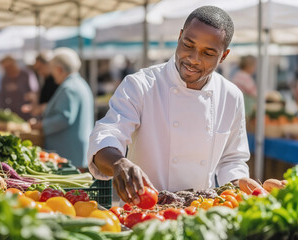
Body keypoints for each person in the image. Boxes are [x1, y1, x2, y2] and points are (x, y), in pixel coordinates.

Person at [87, 6, 250, 205]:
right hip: (143, 210)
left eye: (208, 53)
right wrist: (119, 163)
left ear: (223, 56)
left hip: (199, 211)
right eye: (188, 45)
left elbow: (232, 159)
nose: (193, 59)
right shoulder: (141, 84)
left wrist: (239, 182)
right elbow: (108, 134)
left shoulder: (231, 95)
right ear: (180, 36)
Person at [31, 48, 94, 167]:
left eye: (52, 70)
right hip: (74, 149)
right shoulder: (79, 83)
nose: (52, 74)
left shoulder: (69, 88)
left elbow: (64, 118)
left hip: (69, 151)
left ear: (59, 69)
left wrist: (41, 125)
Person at [0, 56, 39, 120]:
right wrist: (2, 113)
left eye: (9, 67)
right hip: (12, 114)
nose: (8, 70)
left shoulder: (27, 74)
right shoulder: (5, 78)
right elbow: (1, 97)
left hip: (27, 113)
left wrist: (32, 104)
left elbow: (35, 92)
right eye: (5, 68)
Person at [22, 50, 59, 117]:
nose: (39, 72)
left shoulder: (56, 80)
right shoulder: (47, 80)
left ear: (48, 65)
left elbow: (56, 104)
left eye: (39, 68)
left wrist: (40, 108)